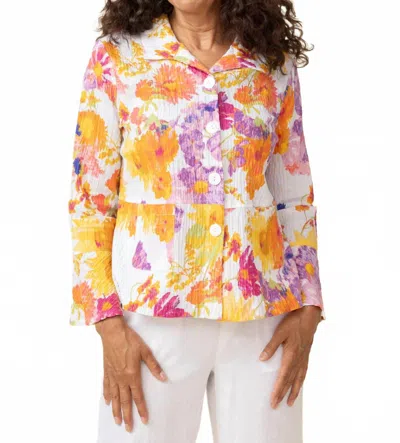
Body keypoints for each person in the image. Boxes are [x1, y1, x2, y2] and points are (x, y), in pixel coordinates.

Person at [68, 1, 325, 441]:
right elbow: (91, 200)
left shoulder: (271, 61)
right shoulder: (118, 56)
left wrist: (309, 309)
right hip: (150, 325)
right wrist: (108, 325)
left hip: (262, 322)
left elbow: (294, 193)